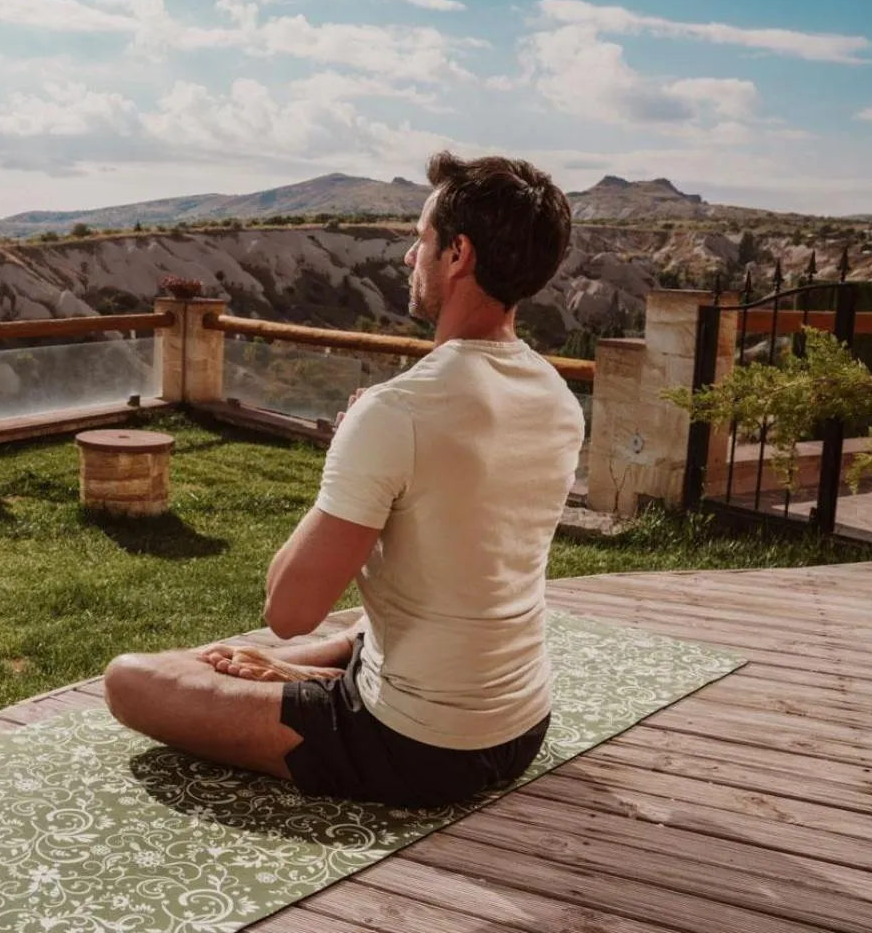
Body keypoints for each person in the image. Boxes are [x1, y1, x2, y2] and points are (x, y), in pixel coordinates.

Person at [102, 150, 586, 808]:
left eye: (421, 240)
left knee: (131, 680)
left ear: (457, 254)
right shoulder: (555, 394)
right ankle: (308, 676)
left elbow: (288, 611)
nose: (410, 259)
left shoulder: (399, 410)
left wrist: (346, 458)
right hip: (522, 722)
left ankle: (308, 684)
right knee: (276, 643)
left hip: (416, 748)